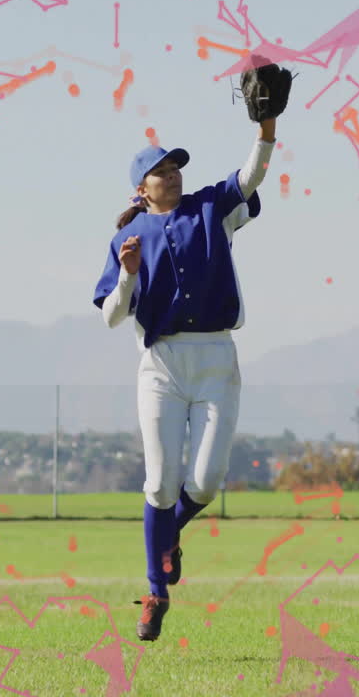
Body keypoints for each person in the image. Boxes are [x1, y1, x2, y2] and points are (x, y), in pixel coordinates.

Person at [92, 111, 278, 641]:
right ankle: (156, 592)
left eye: (175, 167)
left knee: (207, 481)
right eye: (160, 170)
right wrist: (128, 275)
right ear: (141, 187)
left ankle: (166, 536)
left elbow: (250, 178)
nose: (172, 175)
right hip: (162, 366)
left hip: (216, 358)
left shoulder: (210, 208)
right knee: (159, 482)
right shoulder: (128, 236)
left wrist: (265, 132)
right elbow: (110, 315)